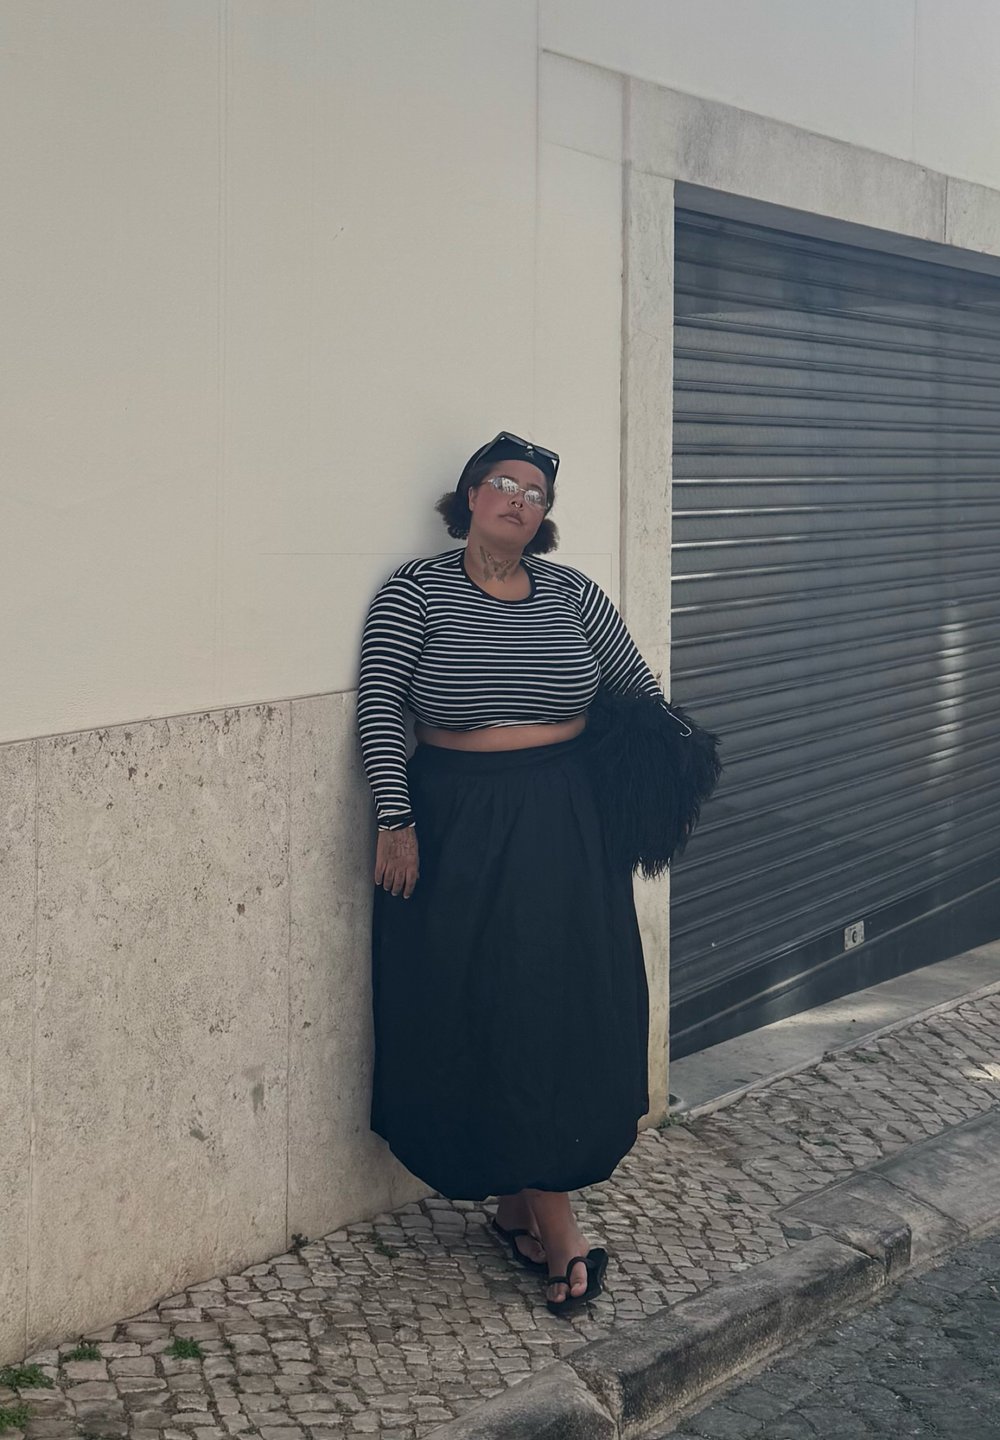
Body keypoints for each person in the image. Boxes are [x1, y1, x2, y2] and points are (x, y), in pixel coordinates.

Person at [357, 431, 666, 1316]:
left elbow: (635, 692)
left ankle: (530, 1208)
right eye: (502, 484)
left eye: (534, 492)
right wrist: (395, 816)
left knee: (559, 999)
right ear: (467, 498)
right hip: (457, 820)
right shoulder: (417, 589)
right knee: (485, 1001)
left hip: (567, 823)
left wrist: (644, 800)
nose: (518, 500)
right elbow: (381, 703)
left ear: (545, 515)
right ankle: (544, 1218)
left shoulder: (572, 593)